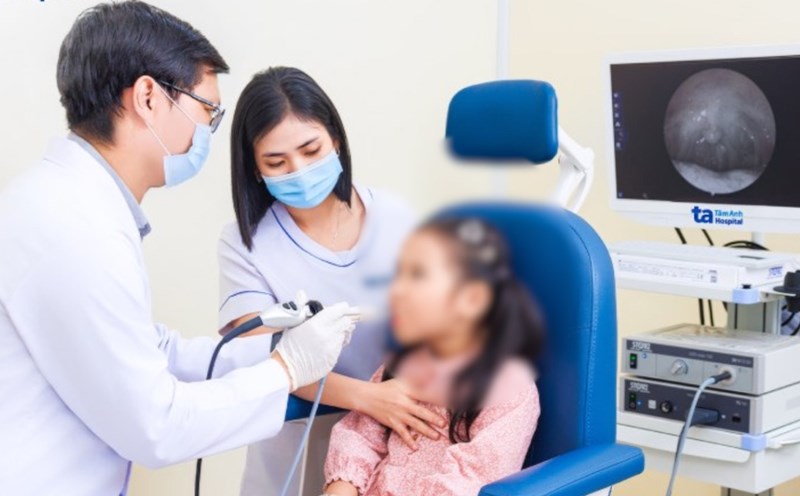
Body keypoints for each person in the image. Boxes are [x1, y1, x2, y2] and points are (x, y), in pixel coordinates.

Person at [0, 3, 352, 495]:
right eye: (207, 110)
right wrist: (286, 368)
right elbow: (157, 427)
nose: (207, 131)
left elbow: (148, 349)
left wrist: (270, 349)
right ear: (148, 97)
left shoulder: (68, 203)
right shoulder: (78, 229)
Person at [219, 66, 438, 496]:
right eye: (276, 162)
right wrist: (368, 397)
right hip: (294, 447)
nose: (298, 170)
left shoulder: (394, 217)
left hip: (395, 443)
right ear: (255, 169)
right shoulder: (244, 243)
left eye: (311, 150)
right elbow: (262, 360)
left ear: (335, 138)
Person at [322, 218, 543, 496]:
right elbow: (360, 436)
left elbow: (474, 480)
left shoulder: (508, 390)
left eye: (417, 276)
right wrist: (341, 488)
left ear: (472, 298)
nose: (397, 290)